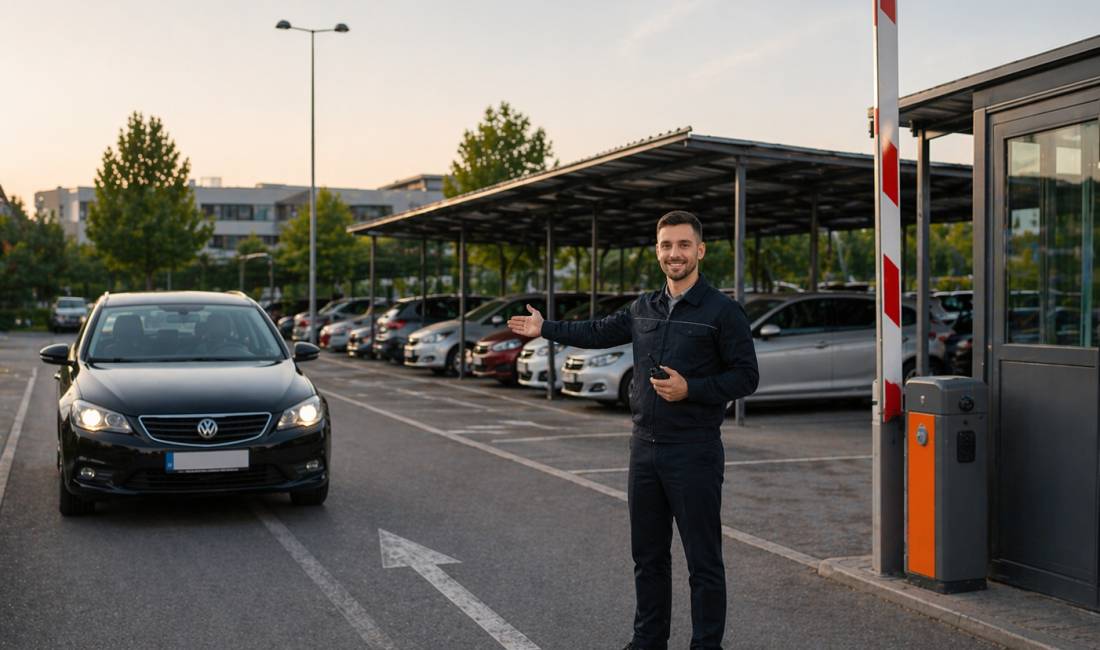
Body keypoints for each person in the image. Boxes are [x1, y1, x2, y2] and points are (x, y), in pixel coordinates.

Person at [508, 210, 758, 650]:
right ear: (657, 251)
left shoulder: (723, 312)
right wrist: (545, 327)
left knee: (703, 561)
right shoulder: (645, 307)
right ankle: (648, 641)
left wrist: (692, 389)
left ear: (700, 251)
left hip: (694, 452)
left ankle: (706, 645)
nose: (674, 253)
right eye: (666, 245)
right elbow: (597, 330)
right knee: (648, 558)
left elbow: (746, 377)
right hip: (643, 450)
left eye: (683, 245)